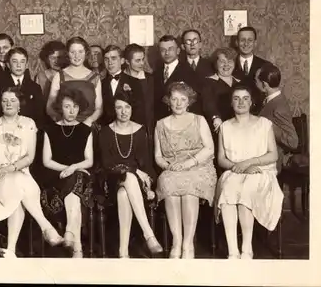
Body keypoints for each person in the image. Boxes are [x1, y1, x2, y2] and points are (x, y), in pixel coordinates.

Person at [0, 87, 64, 258]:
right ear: (0, 104)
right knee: (19, 185)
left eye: (13, 100)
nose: (8, 104)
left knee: (18, 187)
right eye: (5, 101)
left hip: (20, 174)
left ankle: (10, 250)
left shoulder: (28, 124)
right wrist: (1, 169)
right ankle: (47, 228)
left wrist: (11, 168)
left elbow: (30, 157)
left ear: (20, 105)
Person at [215, 84, 283, 259]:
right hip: (234, 172)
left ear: (252, 102)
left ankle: (246, 248)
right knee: (228, 190)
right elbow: (221, 159)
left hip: (261, 172)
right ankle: (233, 251)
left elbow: (273, 155)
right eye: (236, 98)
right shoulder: (225, 127)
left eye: (245, 98)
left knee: (246, 191)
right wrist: (236, 167)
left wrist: (250, 163)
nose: (241, 102)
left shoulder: (264, 124)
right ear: (231, 103)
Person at [154, 82, 217, 259]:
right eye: (174, 99)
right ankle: (177, 242)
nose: (178, 103)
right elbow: (158, 156)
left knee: (189, 190)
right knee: (168, 183)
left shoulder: (199, 120)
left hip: (199, 166)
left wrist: (188, 164)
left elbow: (209, 149)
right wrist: (168, 166)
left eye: (183, 99)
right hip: (173, 168)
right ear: (168, 101)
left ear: (189, 101)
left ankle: (188, 244)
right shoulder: (160, 124)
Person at [99, 91, 163, 258]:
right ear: (113, 110)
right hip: (111, 181)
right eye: (119, 107)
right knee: (127, 177)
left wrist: (148, 184)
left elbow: (147, 164)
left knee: (124, 193)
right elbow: (107, 165)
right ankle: (148, 233)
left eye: (127, 107)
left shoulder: (140, 131)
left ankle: (123, 252)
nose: (123, 111)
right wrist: (133, 171)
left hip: (136, 185)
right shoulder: (106, 132)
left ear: (132, 109)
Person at [40, 87, 94, 258]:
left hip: (79, 176)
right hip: (57, 178)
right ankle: (77, 248)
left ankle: (70, 232)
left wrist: (72, 167)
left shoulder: (85, 130)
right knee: (75, 198)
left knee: (77, 179)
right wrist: (66, 169)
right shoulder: (50, 130)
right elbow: (46, 161)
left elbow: (89, 160)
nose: (72, 111)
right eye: (67, 106)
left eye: (75, 107)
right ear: (60, 108)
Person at [46, 37, 103, 128]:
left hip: (88, 127)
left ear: (86, 53)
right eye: (73, 52)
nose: (77, 56)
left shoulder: (95, 77)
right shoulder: (59, 76)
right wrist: (62, 122)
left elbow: (99, 108)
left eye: (80, 52)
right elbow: (49, 107)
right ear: (68, 54)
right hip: (65, 127)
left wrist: (88, 121)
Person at [255, 63, 299, 173]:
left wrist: (269, 126)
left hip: (271, 162)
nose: (254, 83)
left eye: (256, 81)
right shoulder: (271, 99)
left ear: (264, 85)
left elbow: (293, 141)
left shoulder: (279, 106)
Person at [154, 35, 201, 122]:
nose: (167, 53)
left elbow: (195, 103)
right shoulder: (155, 73)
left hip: (182, 121)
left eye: (170, 49)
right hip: (161, 122)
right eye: (163, 50)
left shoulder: (189, 72)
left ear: (178, 50)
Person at [99, 45, 145, 128]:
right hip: (107, 130)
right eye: (106, 59)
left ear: (122, 60)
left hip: (128, 129)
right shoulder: (100, 83)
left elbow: (139, 110)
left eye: (113, 58)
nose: (110, 62)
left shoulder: (134, 82)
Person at [202, 47, 241, 134]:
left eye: (230, 61)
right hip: (219, 127)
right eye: (222, 61)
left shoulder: (240, 83)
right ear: (216, 64)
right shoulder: (208, 82)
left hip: (240, 128)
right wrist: (215, 118)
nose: (226, 65)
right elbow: (208, 104)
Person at [232, 26, 271, 113]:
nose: (246, 44)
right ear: (237, 42)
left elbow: (270, 94)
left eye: (250, 40)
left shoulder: (265, 65)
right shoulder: (228, 66)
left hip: (260, 116)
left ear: (255, 43)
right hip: (234, 116)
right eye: (242, 40)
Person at [123, 43, 154, 139]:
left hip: (149, 129)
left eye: (143, 59)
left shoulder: (150, 79)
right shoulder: (121, 79)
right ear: (127, 61)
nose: (142, 63)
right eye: (137, 60)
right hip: (128, 129)